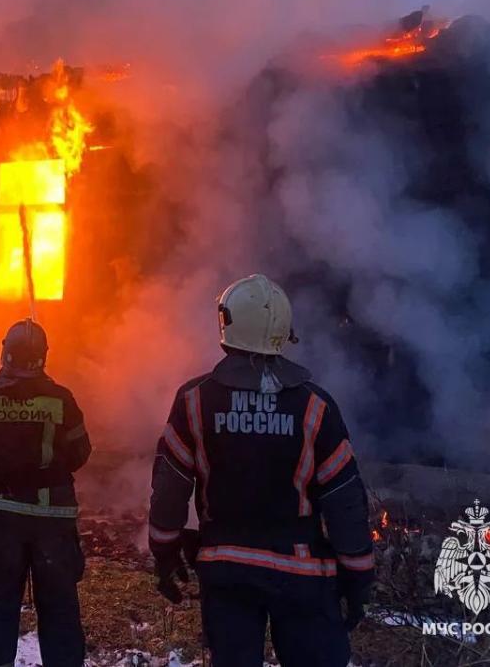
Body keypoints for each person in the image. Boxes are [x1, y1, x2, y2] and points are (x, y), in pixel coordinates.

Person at [147, 274, 374, 667]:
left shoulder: (195, 401)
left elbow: (169, 487)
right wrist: (357, 577)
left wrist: (164, 551)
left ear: (228, 324)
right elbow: (345, 500)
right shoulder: (316, 407)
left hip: (226, 570)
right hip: (303, 573)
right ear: (284, 330)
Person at [0, 318, 92, 667]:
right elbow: (81, 451)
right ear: (43, 356)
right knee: (60, 608)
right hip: (53, 522)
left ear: (5, 352)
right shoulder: (61, 399)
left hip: (2, 517)